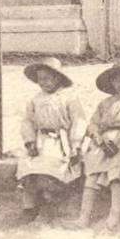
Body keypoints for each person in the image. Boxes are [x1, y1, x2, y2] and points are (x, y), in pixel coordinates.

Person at [65, 61, 120, 231]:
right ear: (112, 83)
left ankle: (114, 216)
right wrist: (96, 135)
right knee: (92, 177)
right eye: (118, 81)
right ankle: (83, 217)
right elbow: (93, 123)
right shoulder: (105, 103)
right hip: (102, 143)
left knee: (115, 177)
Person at [15, 57, 85, 225]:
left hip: (60, 141)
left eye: (47, 78)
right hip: (40, 140)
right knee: (27, 166)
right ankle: (30, 206)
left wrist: (75, 144)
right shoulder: (35, 100)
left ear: (57, 78)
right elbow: (27, 121)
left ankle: (51, 203)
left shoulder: (69, 99)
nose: (43, 83)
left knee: (53, 166)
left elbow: (78, 121)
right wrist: (30, 141)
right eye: (40, 79)